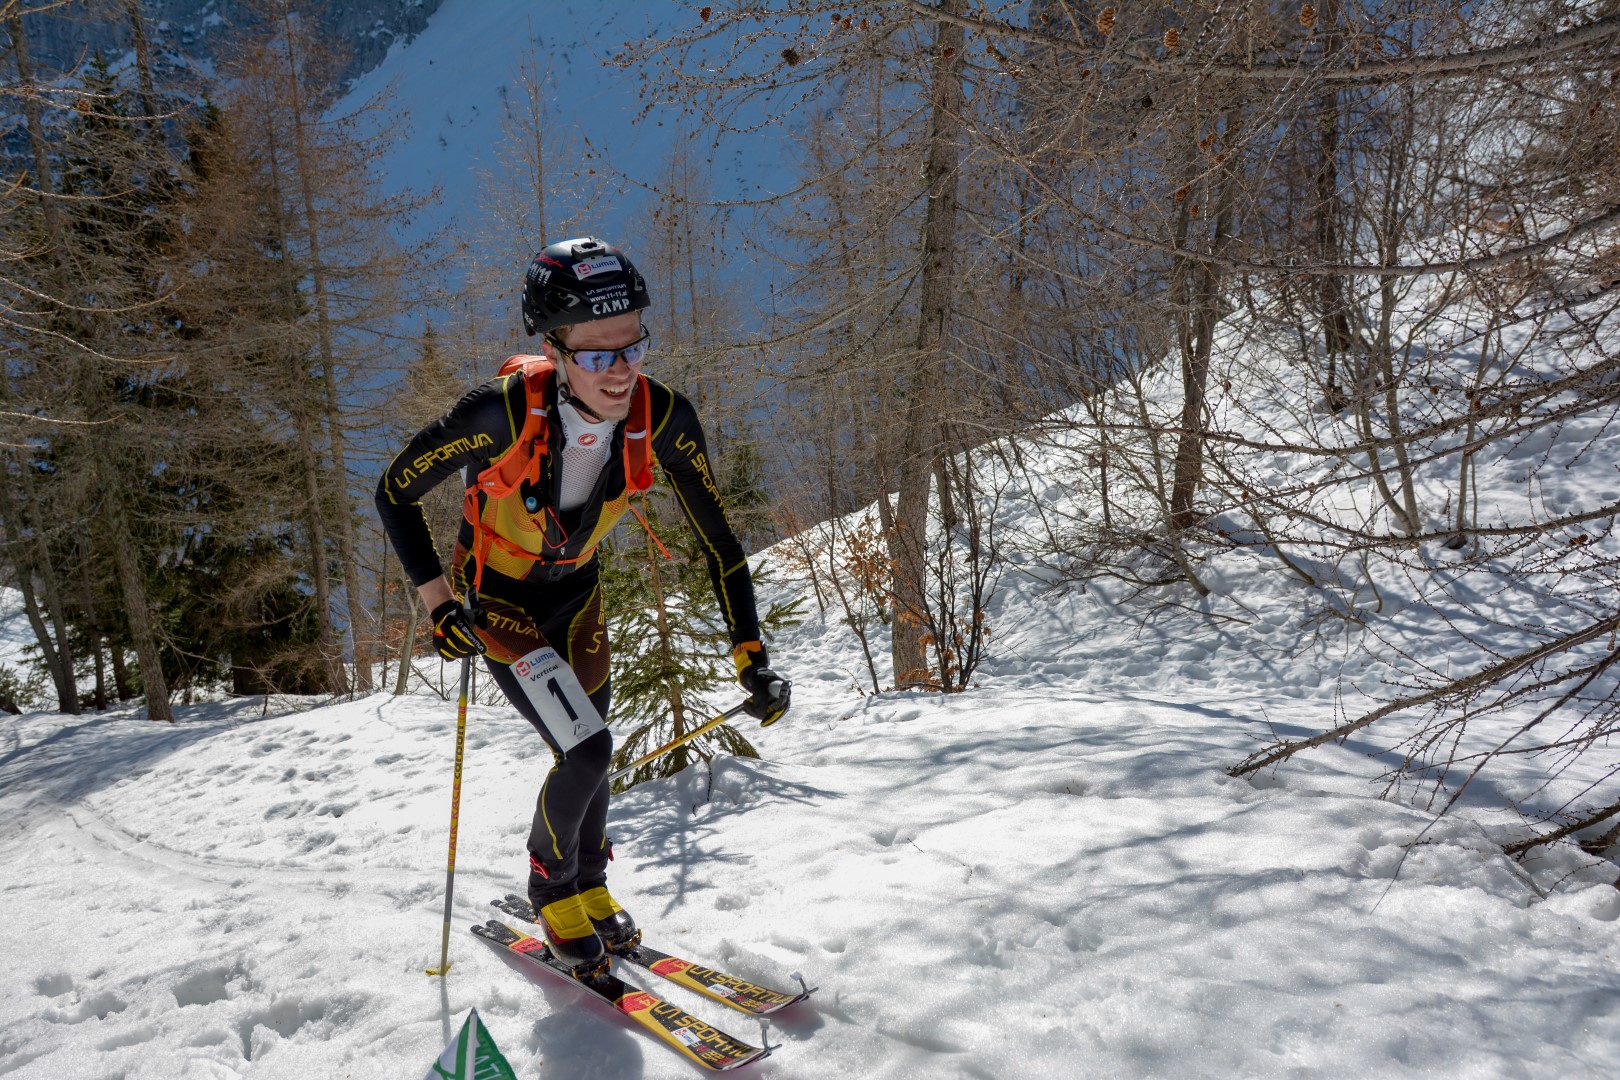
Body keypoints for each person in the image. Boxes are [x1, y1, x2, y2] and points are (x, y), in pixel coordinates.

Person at [376, 237, 790, 976]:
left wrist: (750, 656)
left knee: (591, 747)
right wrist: (438, 603)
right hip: (499, 601)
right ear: (556, 349)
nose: (621, 372)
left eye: (632, 347)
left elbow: (721, 543)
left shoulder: (662, 416)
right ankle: (550, 884)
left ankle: (590, 883)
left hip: (578, 594)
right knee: (588, 748)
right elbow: (394, 491)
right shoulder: (497, 414)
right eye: (599, 356)